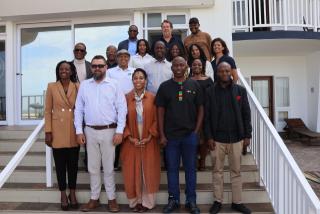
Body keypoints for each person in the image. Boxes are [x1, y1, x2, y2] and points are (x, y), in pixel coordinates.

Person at [74, 55, 127, 212]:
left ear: (106, 67)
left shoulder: (114, 85)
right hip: (89, 131)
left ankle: (111, 199)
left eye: (100, 66)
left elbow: (122, 109)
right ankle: (94, 198)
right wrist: (78, 131)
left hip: (109, 132)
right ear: (91, 68)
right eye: (95, 66)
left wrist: (119, 131)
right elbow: (79, 110)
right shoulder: (84, 85)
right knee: (93, 168)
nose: (97, 68)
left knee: (109, 168)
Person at [156, 57, 203, 214]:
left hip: (189, 135)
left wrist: (196, 132)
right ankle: (173, 200)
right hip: (171, 137)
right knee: (172, 170)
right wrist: (162, 135)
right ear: (171, 68)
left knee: (191, 169)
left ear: (186, 67)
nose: (178, 67)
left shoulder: (194, 85)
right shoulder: (164, 87)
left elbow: (201, 110)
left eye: (181, 64)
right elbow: (160, 112)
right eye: (175, 65)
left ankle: (191, 201)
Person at [204, 62, 252, 214]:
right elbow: (206, 117)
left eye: (227, 70)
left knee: (236, 172)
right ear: (217, 73)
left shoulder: (240, 91)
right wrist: (209, 136)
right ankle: (218, 201)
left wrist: (247, 135)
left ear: (231, 72)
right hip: (217, 139)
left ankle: (237, 202)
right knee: (217, 172)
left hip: (237, 138)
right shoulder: (210, 91)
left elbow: (246, 114)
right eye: (221, 71)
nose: (224, 73)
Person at [121, 68, 161, 212]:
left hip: (148, 138)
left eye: (141, 78)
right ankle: (135, 201)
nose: (138, 80)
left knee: (148, 170)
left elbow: (158, 119)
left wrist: (151, 135)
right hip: (131, 139)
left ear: (146, 81)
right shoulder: (125, 98)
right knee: (132, 171)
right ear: (132, 80)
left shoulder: (153, 97)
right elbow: (120, 120)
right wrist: (129, 137)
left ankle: (147, 202)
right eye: (135, 78)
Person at [44, 60, 80, 211]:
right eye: (61, 69)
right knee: (60, 166)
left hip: (73, 130)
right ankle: (63, 194)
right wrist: (48, 131)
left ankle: (72, 193)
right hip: (57, 131)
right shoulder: (51, 86)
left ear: (71, 72)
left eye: (67, 69)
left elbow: (81, 108)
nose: (64, 71)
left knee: (73, 165)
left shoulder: (78, 86)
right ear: (58, 71)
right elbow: (47, 110)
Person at [190, 58, 214, 171]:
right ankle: (194, 160)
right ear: (191, 67)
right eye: (194, 65)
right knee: (193, 137)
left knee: (204, 138)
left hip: (206, 111)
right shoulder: (187, 80)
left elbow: (213, 96)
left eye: (199, 65)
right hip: (191, 113)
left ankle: (203, 160)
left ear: (202, 67)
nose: (197, 67)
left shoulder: (208, 80)